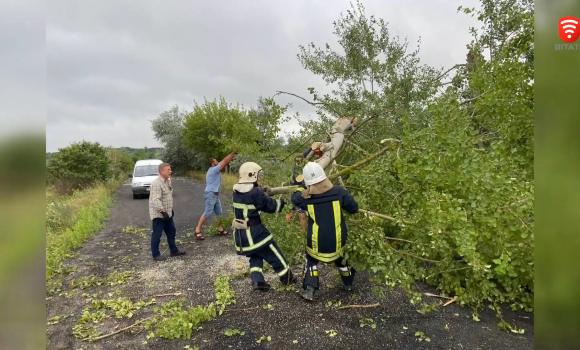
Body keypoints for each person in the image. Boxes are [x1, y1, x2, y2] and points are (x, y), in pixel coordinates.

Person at [291, 162, 359, 301]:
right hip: (338, 240)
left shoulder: (305, 199)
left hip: (317, 242)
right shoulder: (339, 192)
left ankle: (310, 290)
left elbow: (294, 198)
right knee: (341, 258)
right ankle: (348, 284)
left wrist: (300, 188)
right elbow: (354, 208)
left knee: (310, 260)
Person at [232, 161, 297, 291]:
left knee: (255, 255)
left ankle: (257, 281)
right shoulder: (255, 193)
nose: (259, 177)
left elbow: (250, 199)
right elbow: (271, 207)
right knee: (274, 253)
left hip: (241, 235)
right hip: (256, 234)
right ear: (252, 175)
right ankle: (287, 278)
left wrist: (262, 191)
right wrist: (286, 202)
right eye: (258, 175)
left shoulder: (236, 191)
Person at [194, 150, 237, 240]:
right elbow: (225, 162)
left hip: (214, 194)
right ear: (213, 164)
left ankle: (220, 229)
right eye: (216, 161)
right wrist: (233, 153)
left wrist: (232, 154)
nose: (218, 162)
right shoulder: (213, 170)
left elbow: (224, 160)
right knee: (208, 212)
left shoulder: (214, 168)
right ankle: (197, 230)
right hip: (211, 194)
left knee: (219, 213)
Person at [149, 163, 186, 261]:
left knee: (171, 231)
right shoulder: (156, 183)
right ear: (161, 171)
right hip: (159, 214)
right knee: (157, 234)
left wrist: (170, 210)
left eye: (170, 169)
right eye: (168, 170)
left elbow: (167, 196)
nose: (170, 171)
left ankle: (174, 251)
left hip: (167, 213)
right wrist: (163, 211)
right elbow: (155, 200)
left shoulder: (167, 181)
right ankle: (156, 255)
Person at [285, 148, 311, 228]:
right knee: (302, 215)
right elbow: (304, 155)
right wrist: (310, 148)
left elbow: (303, 155)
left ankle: (287, 226)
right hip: (299, 193)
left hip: (293, 193)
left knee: (291, 211)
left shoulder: (295, 168)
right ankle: (302, 232)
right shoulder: (303, 170)